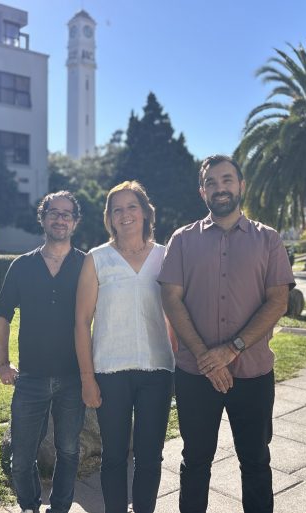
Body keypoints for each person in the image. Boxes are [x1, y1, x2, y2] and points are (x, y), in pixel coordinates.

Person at [159, 155, 295, 513]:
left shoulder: (268, 240)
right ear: (202, 190)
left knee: (255, 461)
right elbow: (171, 299)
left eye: (227, 180)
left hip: (253, 373)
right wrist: (208, 357)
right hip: (194, 374)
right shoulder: (182, 240)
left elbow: (278, 301)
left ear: (241, 185)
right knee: (195, 460)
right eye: (212, 182)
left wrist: (230, 350)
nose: (220, 188)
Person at [75, 181, 175, 513]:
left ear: (146, 212)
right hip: (110, 372)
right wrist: (87, 379)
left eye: (132, 206)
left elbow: (178, 315)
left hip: (158, 370)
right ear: (109, 218)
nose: (125, 214)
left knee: (150, 456)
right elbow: (81, 322)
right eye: (116, 209)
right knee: (115, 456)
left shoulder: (165, 257)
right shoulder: (97, 259)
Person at [0, 191, 86, 513]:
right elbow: (2, 314)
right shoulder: (22, 266)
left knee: (70, 451)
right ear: (43, 218)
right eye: (54, 213)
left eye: (67, 214)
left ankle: (60, 507)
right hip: (30, 376)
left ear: (75, 221)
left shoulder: (87, 265)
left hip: (74, 376)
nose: (60, 219)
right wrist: (2, 363)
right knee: (21, 457)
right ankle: (30, 506)